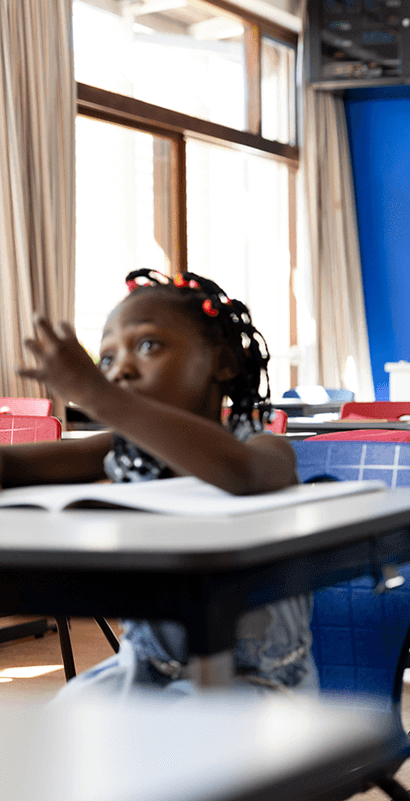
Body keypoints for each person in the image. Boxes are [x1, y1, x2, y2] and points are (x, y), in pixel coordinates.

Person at [1, 269, 310, 696]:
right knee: (67, 719)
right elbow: (12, 467)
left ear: (223, 362)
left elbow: (245, 475)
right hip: (146, 668)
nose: (120, 371)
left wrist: (97, 394)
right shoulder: (120, 449)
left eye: (147, 345)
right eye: (106, 360)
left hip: (256, 682)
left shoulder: (260, 446)